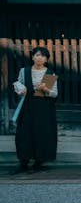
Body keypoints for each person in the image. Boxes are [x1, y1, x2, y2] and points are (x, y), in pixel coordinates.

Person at [11, 46, 58, 174]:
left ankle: (39, 161)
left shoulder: (49, 73)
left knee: (41, 133)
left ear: (46, 59)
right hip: (27, 106)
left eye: (42, 56)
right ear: (32, 57)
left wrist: (45, 89)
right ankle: (23, 162)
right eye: (37, 55)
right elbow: (17, 84)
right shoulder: (24, 71)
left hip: (44, 107)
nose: (39, 58)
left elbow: (54, 94)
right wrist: (22, 89)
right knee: (24, 133)